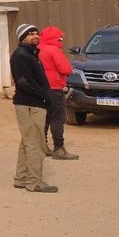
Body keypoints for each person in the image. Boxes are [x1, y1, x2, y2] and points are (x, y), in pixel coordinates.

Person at [11, 23, 58, 193]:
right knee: (35, 143)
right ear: (22, 37)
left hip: (33, 102)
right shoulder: (21, 55)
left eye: (36, 33)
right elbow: (23, 82)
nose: (35, 36)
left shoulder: (31, 54)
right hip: (30, 104)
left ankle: (21, 178)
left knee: (27, 141)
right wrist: (44, 95)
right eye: (30, 34)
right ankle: (34, 182)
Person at [38, 26, 80, 160]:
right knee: (57, 118)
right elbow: (65, 68)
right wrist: (70, 69)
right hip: (55, 87)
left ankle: (42, 146)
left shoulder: (37, 49)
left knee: (44, 118)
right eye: (60, 37)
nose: (61, 39)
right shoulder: (54, 50)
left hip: (41, 88)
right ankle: (59, 148)